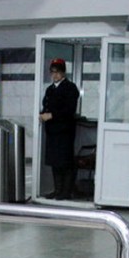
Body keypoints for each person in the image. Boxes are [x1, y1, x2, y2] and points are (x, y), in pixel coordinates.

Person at [39, 58, 81, 199]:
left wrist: (51, 115)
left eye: (58, 72)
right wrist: (43, 114)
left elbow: (69, 110)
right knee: (55, 162)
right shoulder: (50, 89)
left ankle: (66, 191)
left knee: (65, 162)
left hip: (64, 131)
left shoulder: (70, 88)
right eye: (53, 72)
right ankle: (57, 190)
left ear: (63, 72)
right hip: (52, 131)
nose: (55, 75)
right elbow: (46, 105)